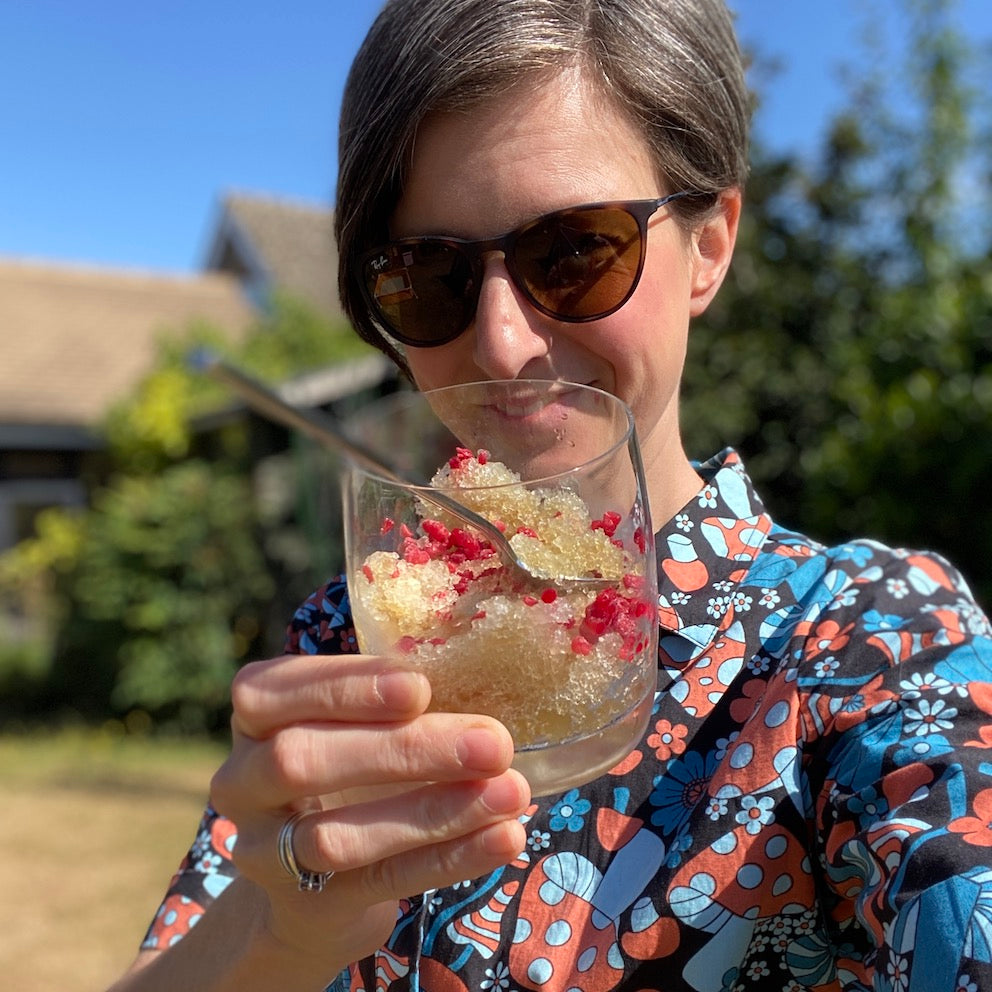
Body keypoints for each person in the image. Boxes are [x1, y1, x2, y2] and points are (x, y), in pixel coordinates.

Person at [109, 0, 992, 990]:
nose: (500, 343)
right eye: (424, 276)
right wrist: (278, 933)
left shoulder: (871, 646)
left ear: (707, 243)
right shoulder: (344, 645)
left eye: (573, 251)